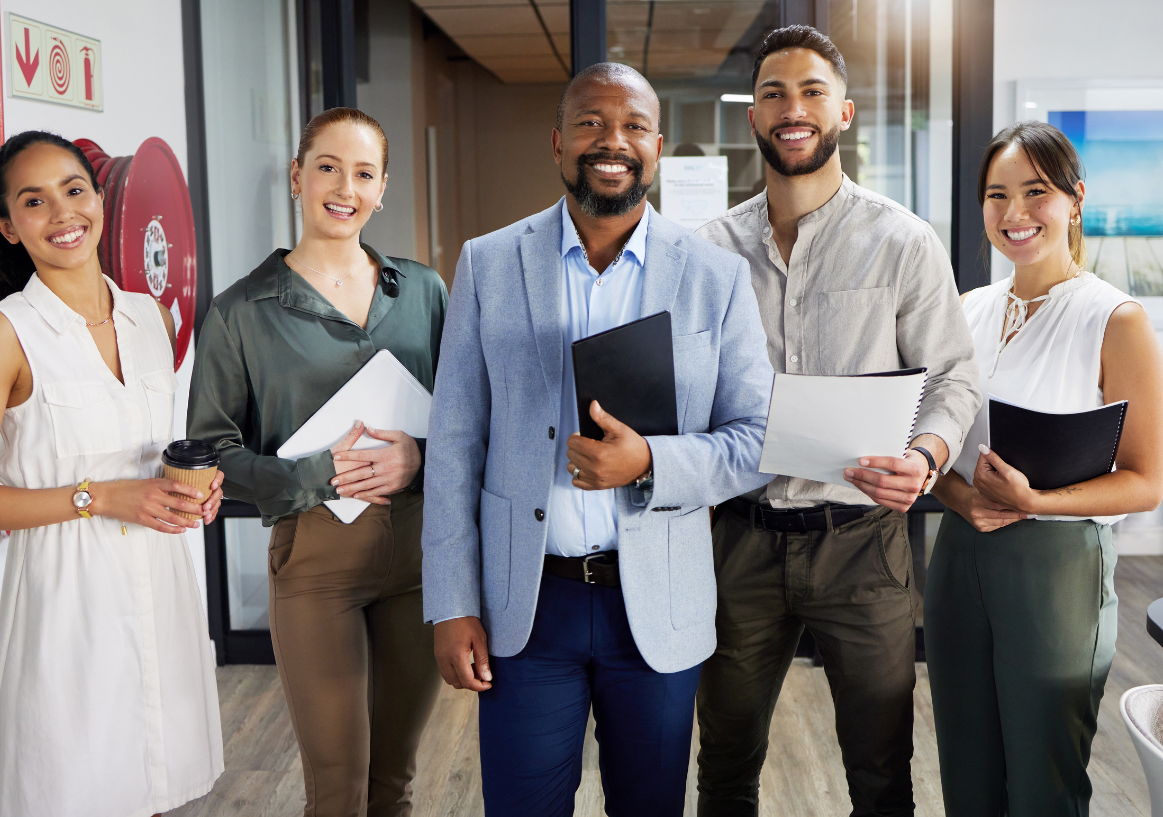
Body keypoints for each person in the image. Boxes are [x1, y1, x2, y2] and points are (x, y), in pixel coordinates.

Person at [422, 62, 774, 817]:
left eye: (633, 127)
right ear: (557, 143)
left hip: (655, 603)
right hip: (528, 605)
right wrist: (450, 602)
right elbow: (453, 442)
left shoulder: (715, 277)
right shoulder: (488, 264)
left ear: (656, 147)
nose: (611, 141)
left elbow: (756, 440)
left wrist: (650, 460)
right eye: (590, 123)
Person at [693, 26, 981, 816]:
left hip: (862, 546)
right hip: (738, 540)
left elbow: (954, 374)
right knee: (724, 764)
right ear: (752, 116)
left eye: (812, 91)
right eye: (775, 94)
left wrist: (924, 455)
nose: (794, 109)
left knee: (882, 771)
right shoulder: (707, 250)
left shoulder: (902, 241)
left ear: (844, 112)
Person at [187, 107, 447, 817]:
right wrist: (315, 474)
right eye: (327, 166)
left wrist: (417, 457)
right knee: (338, 790)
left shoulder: (424, 292)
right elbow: (211, 453)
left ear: (383, 187)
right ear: (298, 176)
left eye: (363, 173)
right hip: (315, 565)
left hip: (421, 564)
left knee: (395, 781)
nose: (344, 186)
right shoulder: (240, 312)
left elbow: (467, 423)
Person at [0, 131, 225, 817]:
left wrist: (192, 488)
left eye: (74, 190)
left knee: (163, 790)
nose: (62, 214)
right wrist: (101, 496)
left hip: (161, 598)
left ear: (99, 197)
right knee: (74, 791)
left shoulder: (150, 317)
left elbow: (147, 454)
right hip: (66, 615)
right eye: (34, 201)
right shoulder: (2, 332)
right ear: (7, 226)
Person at [924, 121, 1163, 815]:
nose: (1014, 212)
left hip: (1058, 565)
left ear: (1075, 198)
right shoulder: (967, 310)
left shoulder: (1113, 318)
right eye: (997, 195)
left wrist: (1035, 500)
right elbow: (934, 441)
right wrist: (959, 495)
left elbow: (1147, 478)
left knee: (1042, 783)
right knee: (966, 771)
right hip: (959, 553)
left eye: (1036, 191)